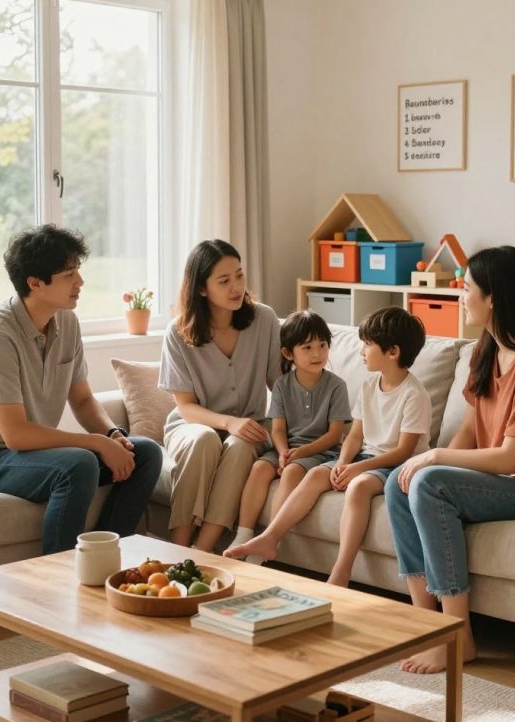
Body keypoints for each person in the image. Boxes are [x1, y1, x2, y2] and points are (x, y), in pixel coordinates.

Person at [384, 246, 515, 674]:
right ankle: (427, 626)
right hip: (507, 482)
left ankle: (457, 636)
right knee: (400, 481)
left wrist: (436, 458)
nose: (461, 296)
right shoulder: (487, 351)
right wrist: (425, 461)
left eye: (467, 288)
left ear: (493, 297)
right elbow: (468, 430)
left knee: (430, 482)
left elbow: (512, 457)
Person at [0, 225, 163, 555]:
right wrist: (97, 443)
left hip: (32, 453)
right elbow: (15, 435)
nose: (80, 282)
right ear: (35, 283)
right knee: (78, 464)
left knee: (145, 453)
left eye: (78, 270)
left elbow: (84, 400)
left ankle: (105, 558)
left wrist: (113, 435)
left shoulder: (67, 322)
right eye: (69, 274)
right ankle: (58, 570)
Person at [225, 306, 431, 583]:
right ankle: (270, 538)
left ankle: (341, 570)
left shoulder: (414, 394)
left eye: (367, 345)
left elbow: (404, 451)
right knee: (315, 475)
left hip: (397, 465)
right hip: (364, 456)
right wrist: (343, 462)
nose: (361, 351)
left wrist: (358, 469)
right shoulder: (369, 387)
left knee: (358, 487)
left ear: (392, 352)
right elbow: (355, 436)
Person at [159, 239, 280, 551]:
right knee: (204, 440)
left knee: (241, 445)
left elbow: (280, 387)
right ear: (201, 288)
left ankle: (204, 551)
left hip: (250, 425)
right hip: (192, 425)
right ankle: (177, 549)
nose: (236, 287)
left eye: (239, 275)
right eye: (224, 281)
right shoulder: (178, 332)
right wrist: (229, 422)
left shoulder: (264, 319)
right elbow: (186, 407)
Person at [226, 310, 351, 557]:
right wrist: (283, 452)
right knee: (259, 468)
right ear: (288, 353)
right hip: (287, 448)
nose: (317, 354)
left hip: (320, 451)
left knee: (293, 471)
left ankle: (269, 541)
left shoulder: (337, 386)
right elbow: (278, 429)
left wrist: (299, 453)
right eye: (307, 347)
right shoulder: (282, 385)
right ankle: (244, 534)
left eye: (322, 345)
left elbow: (334, 436)